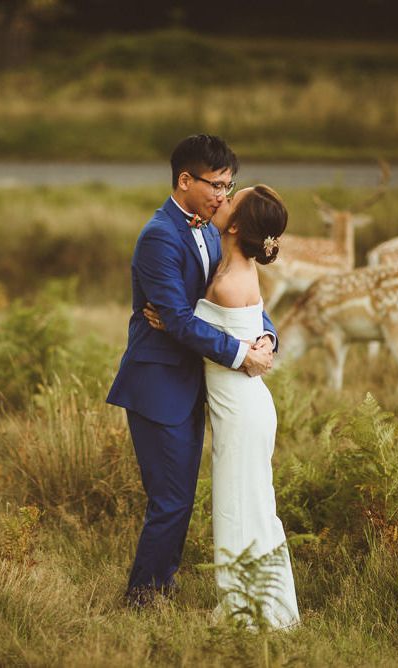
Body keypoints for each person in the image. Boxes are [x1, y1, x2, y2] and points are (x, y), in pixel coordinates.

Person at [106, 135, 277, 607]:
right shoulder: (160, 235)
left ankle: (163, 583)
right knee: (171, 498)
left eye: (229, 184)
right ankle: (143, 594)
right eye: (217, 184)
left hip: (195, 382)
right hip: (158, 384)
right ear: (185, 180)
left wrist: (265, 337)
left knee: (180, 496)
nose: (224, 194)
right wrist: (242, 355)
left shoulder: (208, 229)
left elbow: (233, 296)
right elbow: (178, 320)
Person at [144, 185, 300, 630]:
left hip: (242, 414)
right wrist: (263, 338)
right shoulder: (237, 269)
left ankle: (247, 615)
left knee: (239, 507)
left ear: (233, 225)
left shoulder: (230, 282)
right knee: (251, 505)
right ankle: (266, 606)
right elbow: (240, 327)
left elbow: (202, 335)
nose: (222, 198)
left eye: (231, 198)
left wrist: (173, 322)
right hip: (244, 408)